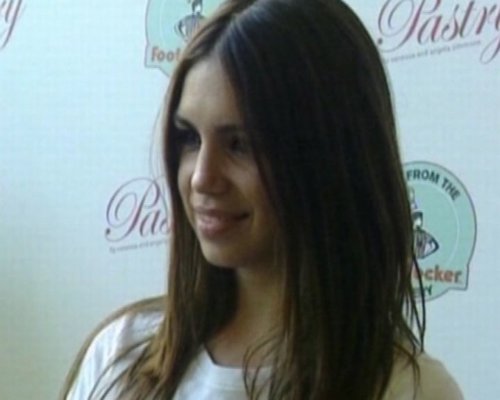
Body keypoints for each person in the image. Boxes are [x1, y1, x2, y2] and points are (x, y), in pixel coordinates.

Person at [61, 0, 464, 399]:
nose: (202, 177)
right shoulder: (118, 355)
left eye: (240, 144)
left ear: (329, 156)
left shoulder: (411, 389)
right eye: (190, 138)